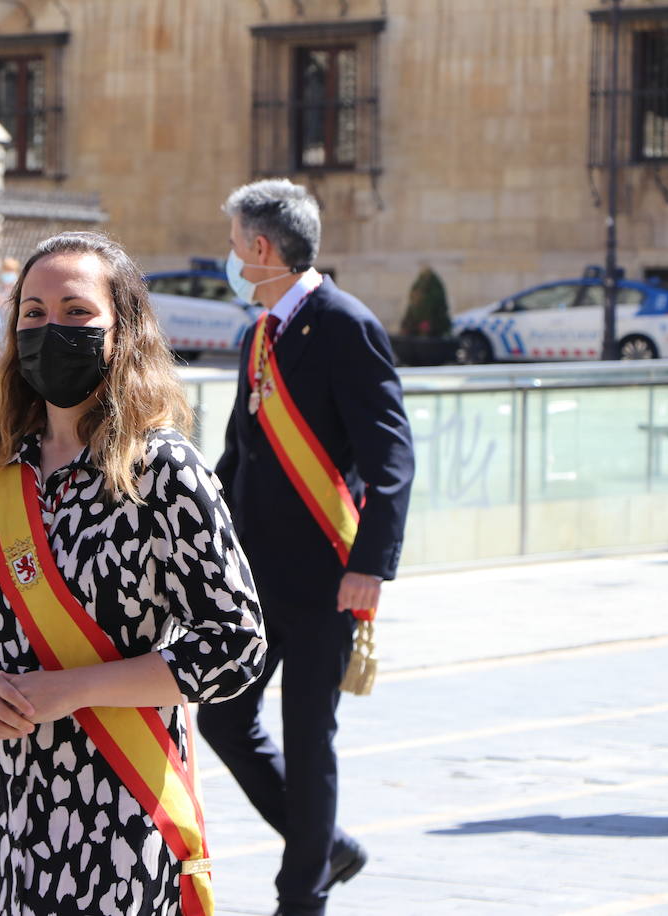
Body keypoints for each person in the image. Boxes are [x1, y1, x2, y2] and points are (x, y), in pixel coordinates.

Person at [0, 231, 268, 916]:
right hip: (5, 804)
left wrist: (72, 690)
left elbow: (235, 644)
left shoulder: (163, 470)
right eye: (34, 313)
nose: (53, 328)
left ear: (124, 330)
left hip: (119, 807)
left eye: (77, 312)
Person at [196, 179, 415, 916]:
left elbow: (392, 457)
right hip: (254, 578)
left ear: (261, 249)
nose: (230, 258)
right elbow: (239, 456)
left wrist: (371, 567)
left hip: (328, 575)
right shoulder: (261, 334)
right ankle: (325, 846)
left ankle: (302, 899)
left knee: (308, 739)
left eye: (234, 245)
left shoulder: (344, 323)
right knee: (222, 717)